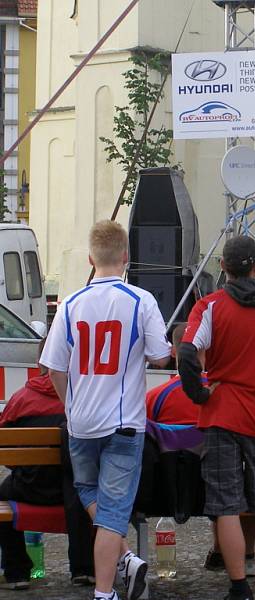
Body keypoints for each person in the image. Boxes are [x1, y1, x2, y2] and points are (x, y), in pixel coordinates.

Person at [40, 220, 172, 600]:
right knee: (114, 513)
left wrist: (70, 404)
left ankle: (126, 560)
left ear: (90, 258)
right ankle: (104, 592)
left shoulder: (69, 304)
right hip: (122, 423)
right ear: (126, 257)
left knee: (86, 489)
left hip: (80, 423)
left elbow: (54, 368)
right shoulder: (140, 301)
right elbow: (161, 357)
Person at [178, 235, 255, 600]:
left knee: (226, 504)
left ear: (223, 267)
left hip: (221, 416)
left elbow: (186, 355)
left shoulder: (210, 306)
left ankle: (239, 587)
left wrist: (199, 394)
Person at [144, 323, 255, 576]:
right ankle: (236, 554)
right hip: (217, 490)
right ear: (209, 349)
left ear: (173, 351)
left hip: (164, 494)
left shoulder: (155, 397)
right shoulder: (226, 394)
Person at [0, 341, 94, 589]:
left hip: (29, 487)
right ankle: (83, 569)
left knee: (1, 492)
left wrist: (22, 468)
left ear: (40, 363)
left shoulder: (21, 398)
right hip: (75, 492)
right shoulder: (81, 397)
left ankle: (16, 572)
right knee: (85, 483)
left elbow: (4, 449)